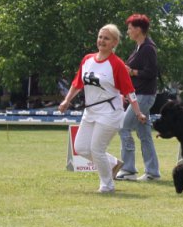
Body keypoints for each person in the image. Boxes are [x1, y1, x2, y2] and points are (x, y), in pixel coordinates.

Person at [59, 24, 148, 193]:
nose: (102, 41)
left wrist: (138, 112)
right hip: (90, 112)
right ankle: (113, 163)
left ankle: (107, 185)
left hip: (110, 113)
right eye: (100, 37)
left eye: (106, 38)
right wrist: (66, 100)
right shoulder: (87, 59)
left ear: (114, 43)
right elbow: (77, 83)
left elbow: (129, 91)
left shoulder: (117, 64)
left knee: (96, 149)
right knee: (81, 148)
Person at [116, 13, 161, 182]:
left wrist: (132, 72)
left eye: (129, 28)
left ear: (138, 30)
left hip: (144, 96)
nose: (127, 31)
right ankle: (152, 172)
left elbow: (151, 73)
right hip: (140, 95)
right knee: (144, 135)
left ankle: (128, 169)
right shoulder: (140, 47)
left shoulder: (148, 48)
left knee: (123, 127)